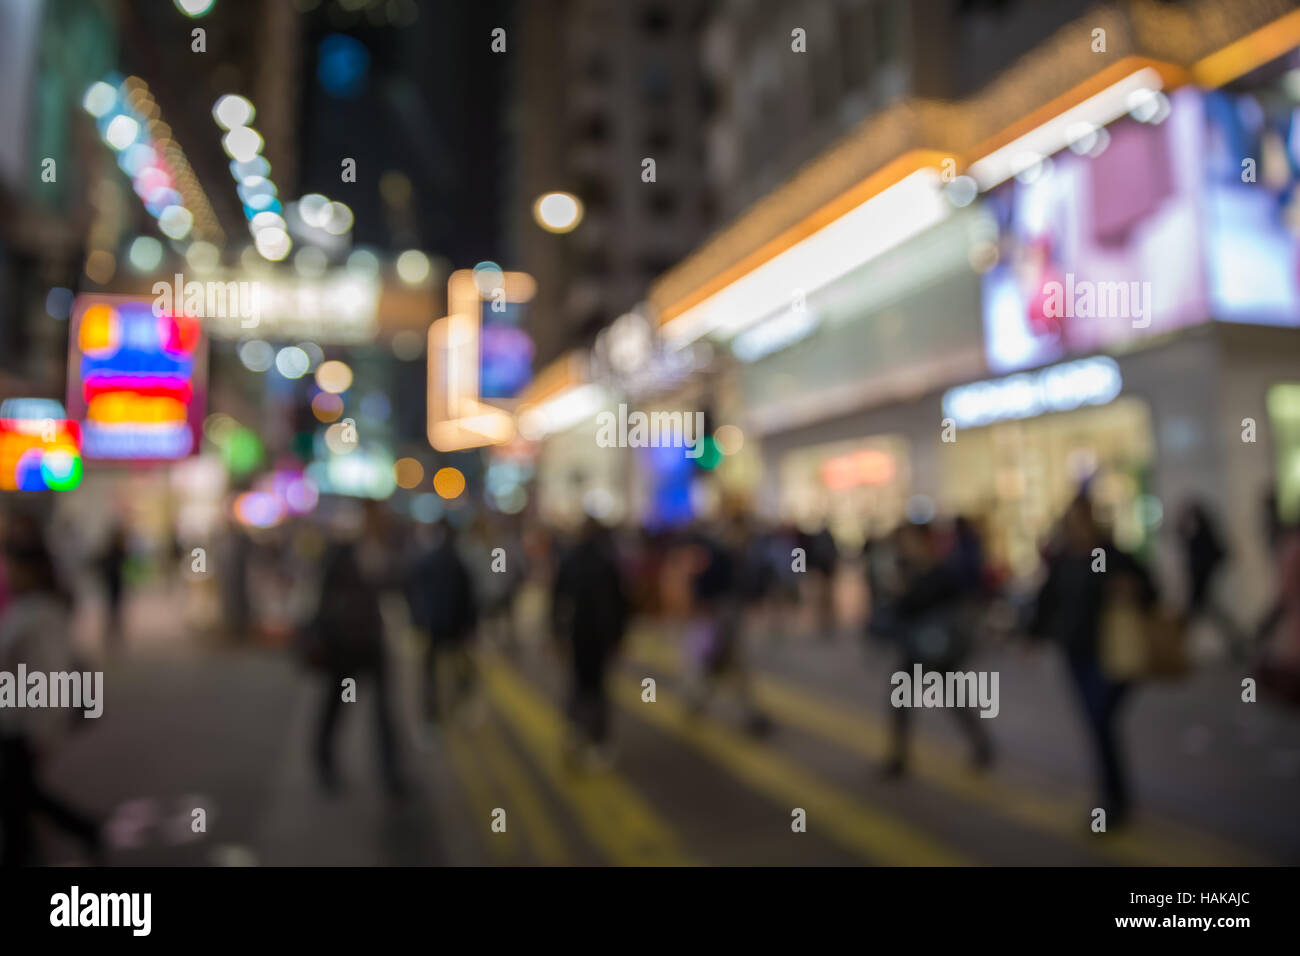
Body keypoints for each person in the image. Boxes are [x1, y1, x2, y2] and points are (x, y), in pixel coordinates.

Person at [1032, 494, 1155, 829]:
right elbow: (1047, 599)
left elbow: (1150, 590)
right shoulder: (1064, 559)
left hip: (1113, 652)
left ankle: (1114, 798)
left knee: (1101, 720)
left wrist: (1131, 590)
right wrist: (1035, 634)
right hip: (1077, 652)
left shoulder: (1113, 554)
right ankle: (1112, 797)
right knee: (1096, 726)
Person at [0, 525, 103, 865]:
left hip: (22, 726)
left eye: (12, 566)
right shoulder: (27, 609)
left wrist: (43, 729)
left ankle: (82, 830)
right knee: (20, 797)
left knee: (18, 798)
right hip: (15, 722)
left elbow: (50, 677)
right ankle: (82, 831)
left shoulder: (40, 615)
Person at [875, 520, 992, 778]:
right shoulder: (909, 569)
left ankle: (981, 746)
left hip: (938, 648)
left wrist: (905, 594)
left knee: (952, 699)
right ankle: (899, 756)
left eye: (910, 541)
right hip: (916, 647)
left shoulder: (941, 570)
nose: (906, 547)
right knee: (905, 698)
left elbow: (940, 602)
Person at [304, 542, 403, 797]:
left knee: (379, 712)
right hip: (347, 649)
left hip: (367, 646)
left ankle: (389, 772)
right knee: (340, 708)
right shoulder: (343, 557)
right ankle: (327, 764)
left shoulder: (375, 554)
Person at [682, 521, 772, 735]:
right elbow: (705, 586)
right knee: (733, 664)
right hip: (723, 615)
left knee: (719, 665)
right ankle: (749, 715)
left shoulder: (727, 554)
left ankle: (698, 702)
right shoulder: (719, 554)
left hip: (725, 613)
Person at [551, 518, 629, 766]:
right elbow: (621, 604)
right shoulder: (608, 561)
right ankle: (598, 739)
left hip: (578, 633)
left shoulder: (570, 560)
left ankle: (576, 732)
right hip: (601, 635)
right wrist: (619, 637)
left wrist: (556, 633)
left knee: (578, 684)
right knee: (598, 688)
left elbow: (556, 601)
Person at [409, 521, 478, 730]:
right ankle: (458, 706)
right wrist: (470, 627)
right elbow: (469, 598)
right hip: (454, 626)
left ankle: (431, 715)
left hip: (434, 625)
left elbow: (415, 592)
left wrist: (418, 620)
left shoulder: (428, 560)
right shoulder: (460, 562)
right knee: (461, 669)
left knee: (430, 673)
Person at [1175, 500, 1244, 659]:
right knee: (1212, 616)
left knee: (1198, 617)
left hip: (1201, 583)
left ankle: (1175, 650)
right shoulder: (1201, 534)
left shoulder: (1201, 536)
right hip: (1200, 582)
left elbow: (1210, 557)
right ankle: (1237, 643)